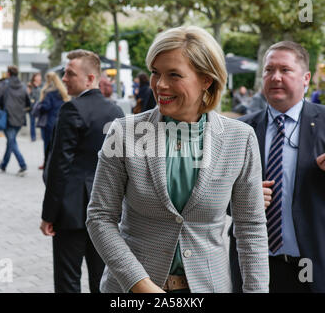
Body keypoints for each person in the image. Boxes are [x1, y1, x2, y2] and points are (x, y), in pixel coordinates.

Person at [86, 26, 269, 293]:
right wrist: (141, 284)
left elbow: (250, 228)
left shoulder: (240, 138)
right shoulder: (124, 132)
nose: (160, 85)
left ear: (206, 79)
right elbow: (100, 217)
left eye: (174, 75)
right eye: (155, 72)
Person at [229, 41, 325, 293]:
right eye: (268, 70)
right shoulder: (239, 130)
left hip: (314, 268)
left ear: (306, 78)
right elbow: (210, 196)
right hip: (253, 268)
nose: (275, 77)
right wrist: (239, 198)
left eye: (285, 70)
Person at [40, 49, 124, 293]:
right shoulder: (116, 112)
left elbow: (59, 167)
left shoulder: (71, 109)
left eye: (69, 74)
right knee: (102, 280)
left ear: (89, 78)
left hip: (71, 209)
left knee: (68, 281)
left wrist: (48, 214)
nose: (64, 79)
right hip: (107, 210)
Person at [0, 65, 30, 176]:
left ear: (9, 73)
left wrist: (2, 108)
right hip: (19, 118)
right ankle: (4, 164)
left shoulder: (4, 85)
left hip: (8, 118)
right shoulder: (23, 86)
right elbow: (28, 102)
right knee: (11, 141)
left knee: (12, 142)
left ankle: (23, 165)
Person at [38, 72, 70, 157]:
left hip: (49, 122)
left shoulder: (48, 93)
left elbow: (46, 107)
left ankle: (46, 163)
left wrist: (39, 105)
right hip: (60, 121)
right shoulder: (63, 91)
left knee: (47, 144)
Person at [28, 72, 42, 141]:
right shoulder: (30, 85)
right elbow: (28, 95)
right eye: (38, 76)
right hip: (32, 106)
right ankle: (33, 137)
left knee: (42, 120)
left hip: (40, 105)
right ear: (34, 77)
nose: (39, 77)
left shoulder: (41, 85)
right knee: (32, 122)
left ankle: (42, 136)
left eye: (39, 76)